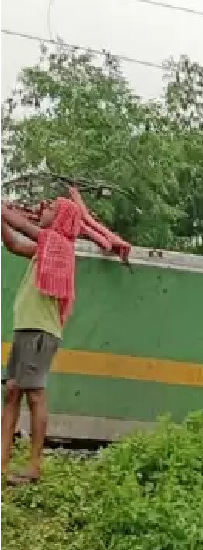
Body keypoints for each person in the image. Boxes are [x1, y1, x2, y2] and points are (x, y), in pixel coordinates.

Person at [1, 193, 130, 485]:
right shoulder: (45, 248)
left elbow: (22, 228)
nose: (42, 208)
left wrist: (5, 210)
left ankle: (33, 467)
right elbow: (12, 242)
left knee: (33, 395)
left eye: (49, 207)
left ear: (59, 219)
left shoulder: (57, 245)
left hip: (39, 331)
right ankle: (3, 462)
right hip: (26, 328)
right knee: (11, 392)